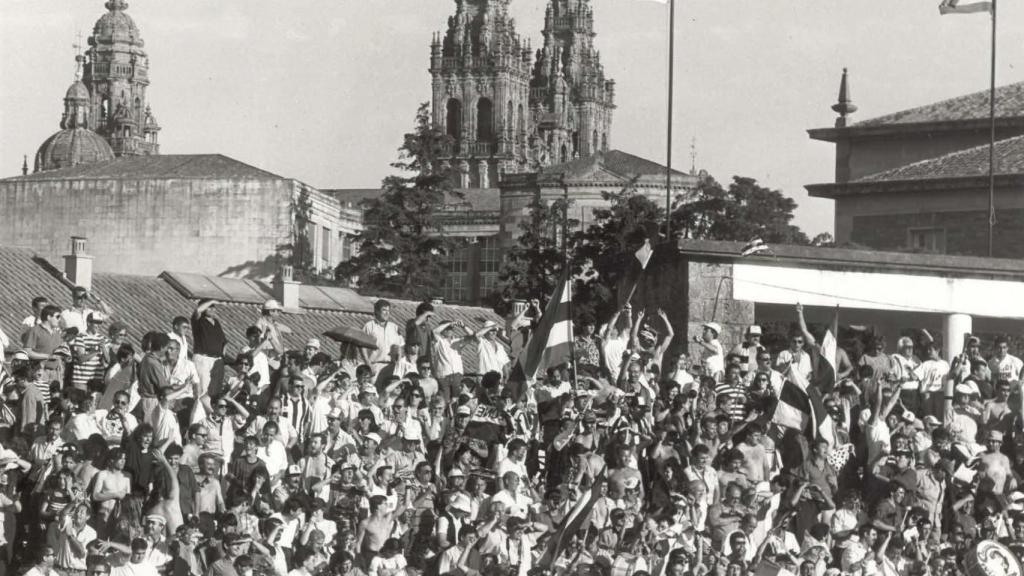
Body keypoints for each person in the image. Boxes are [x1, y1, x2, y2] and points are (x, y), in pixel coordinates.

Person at [191, 299, 227, 401]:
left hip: (216, 359)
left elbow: (224, 342)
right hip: (203, 358)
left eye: (213, 307)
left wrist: (222, 357)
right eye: (209, 307)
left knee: (214, 391)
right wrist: (212, 300)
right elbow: (197, 311)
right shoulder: (198, 321)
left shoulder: (216, 322)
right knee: (202, 389)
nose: (211, 309)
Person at [363, 300, 404, 376]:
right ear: (377, 311)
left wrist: (398, 363)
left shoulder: (394, 327)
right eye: (384, 310)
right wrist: (368, 363)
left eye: (388, 311)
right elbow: (362, 347)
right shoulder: (369, 326)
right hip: (375, 365)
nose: (387, 313)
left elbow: (400, 345)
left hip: (392, 366)